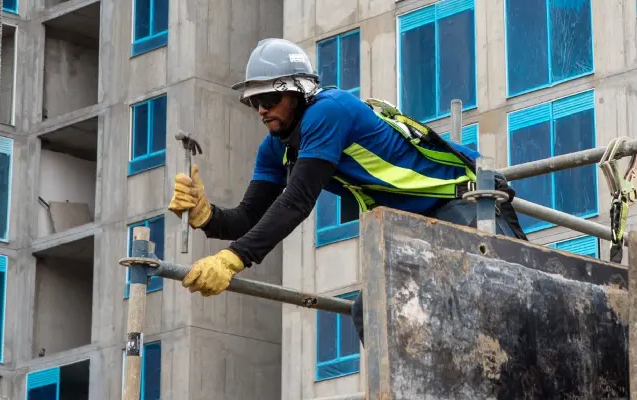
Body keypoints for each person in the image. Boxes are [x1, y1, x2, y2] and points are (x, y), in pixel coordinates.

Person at [167, 38, 525, 342]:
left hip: (462, 203)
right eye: (254, 102)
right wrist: (206, 216)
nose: (261, 110)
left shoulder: (328, 112)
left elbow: (297, 201)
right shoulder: (275, 147)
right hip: (411, 229)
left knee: (504, 308)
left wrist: (232, 260)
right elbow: (247, 217)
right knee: (370, 312)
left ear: (298, 92)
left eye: (269, 100)